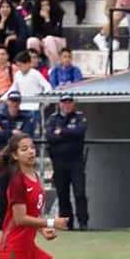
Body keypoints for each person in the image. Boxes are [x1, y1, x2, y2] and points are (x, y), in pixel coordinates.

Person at [0, 91, 35, 229]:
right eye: (12, 101)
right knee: (2, 193)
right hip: (3, 161)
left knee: (20, 195)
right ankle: (0, 225)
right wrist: (11, 132)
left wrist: (5, 133)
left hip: (19, 163)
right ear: (8, 102)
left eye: (17, 101)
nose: (14, 104)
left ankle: (21, 224)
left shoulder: (26, 117)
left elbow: (26, 136)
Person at [44, 93, 88, 231]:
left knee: (79, 193)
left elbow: (80, 132)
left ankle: (83, 223)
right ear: (60, 104)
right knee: (63, 195)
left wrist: (62, 131)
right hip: (59, 162)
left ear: (73, 103)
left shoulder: (79, 117)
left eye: (69, 102)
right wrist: (69, 133)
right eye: (64, 102)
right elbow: (50, 137)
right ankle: (67, 224)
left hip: (76, 162)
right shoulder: (52, 118)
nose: (67, 104)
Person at [26, 0, 66, 66]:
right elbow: (33, 32)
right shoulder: (35, 16)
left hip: (57, 41)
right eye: (42, 5)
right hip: (42, 42)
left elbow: (56, 33)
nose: (45, 7)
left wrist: (47, 19)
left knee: (49, 39)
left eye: (47, 5)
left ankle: (55, 67)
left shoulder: (58, 14)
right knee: (31, 40)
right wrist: (41, 39)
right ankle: (33, 65)